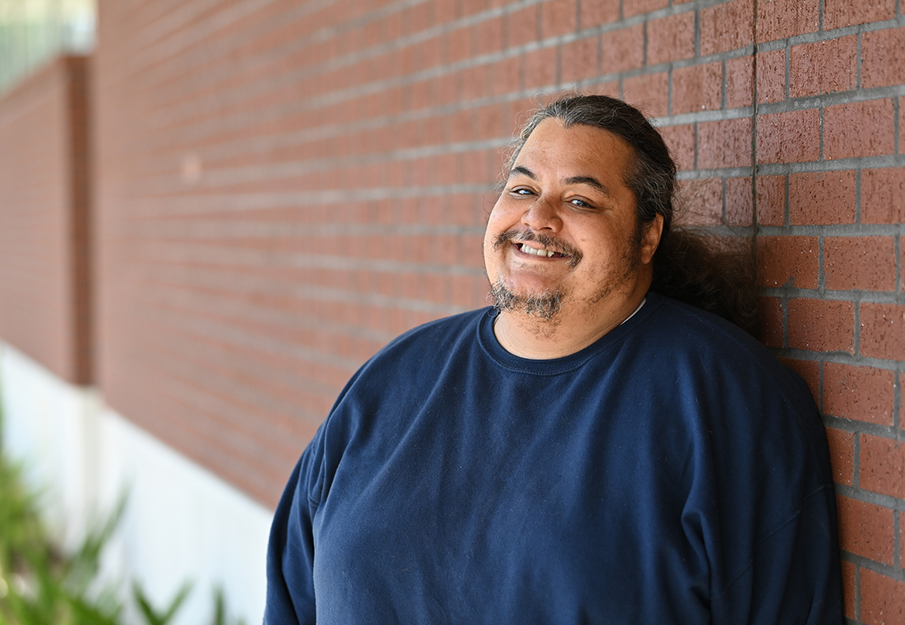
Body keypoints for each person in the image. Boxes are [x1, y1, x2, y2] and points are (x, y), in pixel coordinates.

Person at [264, 94, 842, 623]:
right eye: (521, 188)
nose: (537, 218)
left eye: (580, 198)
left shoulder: (725, 398)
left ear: (647, 237)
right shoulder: (391, 381)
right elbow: (292, 599)